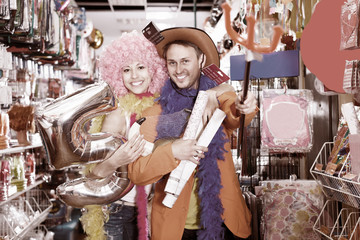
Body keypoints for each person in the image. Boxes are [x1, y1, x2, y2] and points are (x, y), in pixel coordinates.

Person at [128, 27, 257, 240]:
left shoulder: (217, 98)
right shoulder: (154, 109)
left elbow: (235, 112)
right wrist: (172, 151)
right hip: (175, 229)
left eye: (185, 61)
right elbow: (137, 174)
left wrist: (245, 105)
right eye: (172, 62)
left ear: (201, 59)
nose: (179, 69)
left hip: (226, 223)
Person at [80, 30, 168, 240]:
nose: (135, 76)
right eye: (126, 70)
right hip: (117, 210)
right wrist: (116, 161)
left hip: (147, 209)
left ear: (153, 70)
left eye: (140, 67)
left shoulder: (159, 108)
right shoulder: (119, 113)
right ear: (118, 75)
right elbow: (94, 174)